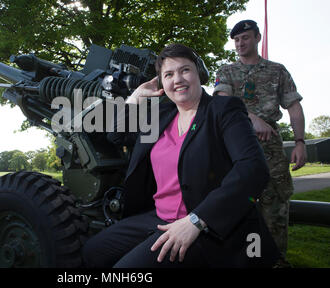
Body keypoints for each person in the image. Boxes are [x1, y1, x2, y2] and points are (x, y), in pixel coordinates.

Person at [82, 43, 279, 268]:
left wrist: (197, 220)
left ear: (198, 74)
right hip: (159, 218)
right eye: (168, 74)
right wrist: (135, 97)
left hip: (205, 223)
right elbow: (116, 135)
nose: (178, 79)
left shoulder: (224, 109)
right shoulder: (160, 116)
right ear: (161, 83)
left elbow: (253, 168)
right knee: (93, 252)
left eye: (185, 70)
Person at [213, 19, 306, 267]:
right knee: (237, 205)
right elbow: (222, 102)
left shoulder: (277, 71)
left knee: (275, 206)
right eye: (236, 40)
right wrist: (252, 119)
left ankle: (275, 261)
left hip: (271, 150)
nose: (240, 43)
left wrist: (299, 142)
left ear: (257, 38)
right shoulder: (226, 72)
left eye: (245, 38)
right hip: (234, 148)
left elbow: (294, 107)